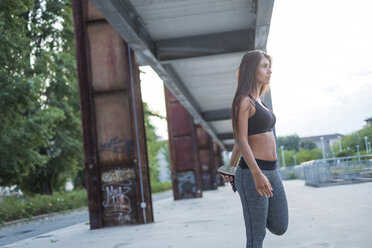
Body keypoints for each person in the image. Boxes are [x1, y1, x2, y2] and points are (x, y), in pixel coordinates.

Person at [223, 50, 289, 248]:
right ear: (252, 70)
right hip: (253, 173)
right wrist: (256, 174)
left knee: (280, 225)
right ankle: (253, 210)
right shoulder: (244, 100)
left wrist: (228, 168)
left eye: (269, 66)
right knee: (256, 236)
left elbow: (239, 143)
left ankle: (254, 211)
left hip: (272, 170)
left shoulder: (259, 99)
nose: (269, 71)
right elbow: (241, 140)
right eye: (264, 66)